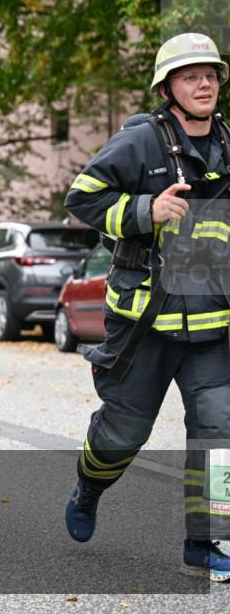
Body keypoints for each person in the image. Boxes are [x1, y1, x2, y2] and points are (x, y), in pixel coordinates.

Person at [62, 32, 230, 582]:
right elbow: (82, 197)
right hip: (144, 324)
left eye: (210, 75)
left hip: (213, 325)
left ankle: (204, 544)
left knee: (220, 433)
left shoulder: (228, 144)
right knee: (122, 436)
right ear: (166, 88)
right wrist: (144, 210)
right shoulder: (140, 142)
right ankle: (89, 488)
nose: (203, 84)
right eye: (190, 76)